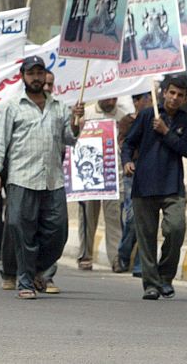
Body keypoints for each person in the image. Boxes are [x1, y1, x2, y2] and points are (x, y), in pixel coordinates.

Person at [0, 55, 84, 299]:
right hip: (22, 178)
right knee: (20, 228)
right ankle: (25, 281)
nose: (36, 78)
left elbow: (69, 138)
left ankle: (38, 269)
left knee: (58, 231)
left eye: (40, 73)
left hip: (52, 179)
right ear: (23, 76)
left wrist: (76, 122)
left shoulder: (59, 107)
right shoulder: (13, 106)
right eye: (31, 73)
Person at [122, 75, 187, 300]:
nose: (174, 98)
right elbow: (128, 143)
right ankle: (151, 284)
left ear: (184, 98)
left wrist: (166, 132)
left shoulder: (186, 122)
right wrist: (127, 161)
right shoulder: (147, 115)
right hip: (144, 185)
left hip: (172, 187)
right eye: (171, 92)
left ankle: (165, 277)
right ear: (164, 93)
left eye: (180, 95)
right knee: (146, 237)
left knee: (176, 229)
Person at [76, 98, 126, 270]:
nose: (110, 100)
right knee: (87, 217)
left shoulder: (123, 117)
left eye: (114, 97)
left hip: (114, 176)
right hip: (90, 176)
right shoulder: (86, 114)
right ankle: (85, 255)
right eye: (107, 97)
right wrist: (77, 122)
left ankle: (116, 259)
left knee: (115, 219)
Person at [116, 92, 152, 276]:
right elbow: (125, 144)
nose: (150, 102)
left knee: (147, 218)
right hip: (132, 171)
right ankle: (123, 254)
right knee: (132, 217)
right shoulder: (127, 121)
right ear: (136, 102)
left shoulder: (156, 120)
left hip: (151, 172)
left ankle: (139, 263)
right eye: (146, 98)